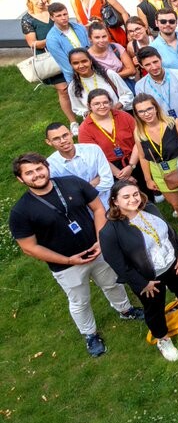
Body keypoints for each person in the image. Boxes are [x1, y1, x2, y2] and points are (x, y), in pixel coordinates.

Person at [9, 153, 143, 357]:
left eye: (39, 168)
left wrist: (100, 240)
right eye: (29, 173)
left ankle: (126, 310)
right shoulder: (21, 211)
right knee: (80, 301)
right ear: (21, 179)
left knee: (112, 283)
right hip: (66, 265)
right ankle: (90, 334)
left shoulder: (72, 183)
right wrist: (68, 260)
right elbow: (29, 247)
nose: (36, 174)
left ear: (47, 167)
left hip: (97, 249)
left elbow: (98, 208)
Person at [100, 179, 178, 361]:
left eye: (135, 194)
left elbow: (169, 232)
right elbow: (118, 263)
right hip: (148, 279)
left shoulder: (151, 209)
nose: (133, 199)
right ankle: (162, 338)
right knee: (153, 309)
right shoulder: (109, 231)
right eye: (126, 197)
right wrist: (141, 283)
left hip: (173, 263)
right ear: (115, 201)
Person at [23, 0, 77, 127]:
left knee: (79, 83)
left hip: (67, 52)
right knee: (63, 90)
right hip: (50, 59)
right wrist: (52, 40)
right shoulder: (27, 19)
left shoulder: (53, 11)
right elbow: (32, 43)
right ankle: (73, 122)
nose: (40, 2)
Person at [132, 94, 178, 221]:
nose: (146, 114)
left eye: (149, 109)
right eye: (141, 111)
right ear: (137, 114)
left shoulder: (174, 123)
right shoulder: (138, 133)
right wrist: (148, 179)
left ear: (156, 108)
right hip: (160, 172)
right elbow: (142, 157)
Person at [77, 90, 140, 198]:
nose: (102, 106)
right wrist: (120, 176)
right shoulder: (84, 129)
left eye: (105, 102)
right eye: (97, 104)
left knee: (144, 195)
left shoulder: (124, 116)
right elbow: (95, 157)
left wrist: (131, 166)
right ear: (89, 106)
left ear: (111, 102)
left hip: (135, 159)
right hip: (109, 168)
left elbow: (139, 140)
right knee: (123, 198)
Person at [46, 122, 113, 207]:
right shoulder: (50, 165)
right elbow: (61, 195)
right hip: (82, 210)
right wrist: (92, 184)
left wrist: (80, 194)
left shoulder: (93, 150)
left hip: (107, 201)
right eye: (56, 139)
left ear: (71, 133)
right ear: (48, 142)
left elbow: (108, 181)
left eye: (65, 135)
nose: (63, 141)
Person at [134, 47, 178, 125]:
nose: (154, 67)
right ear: (141, 66)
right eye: (147, 65)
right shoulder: (140, 86)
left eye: (155, 62)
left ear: (161, 59)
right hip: (163, 127)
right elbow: (145, 112)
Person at [67, 49, 133, 118]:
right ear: (71, 65)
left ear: (90, 61)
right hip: (95, 121)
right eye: (76, 63)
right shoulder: (72, 86)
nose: (81, 66)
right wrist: (87, 113)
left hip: (118, 116)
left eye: (84, 61)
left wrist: (117, 107)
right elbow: (77, 108)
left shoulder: (108, 74)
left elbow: (127, 94)